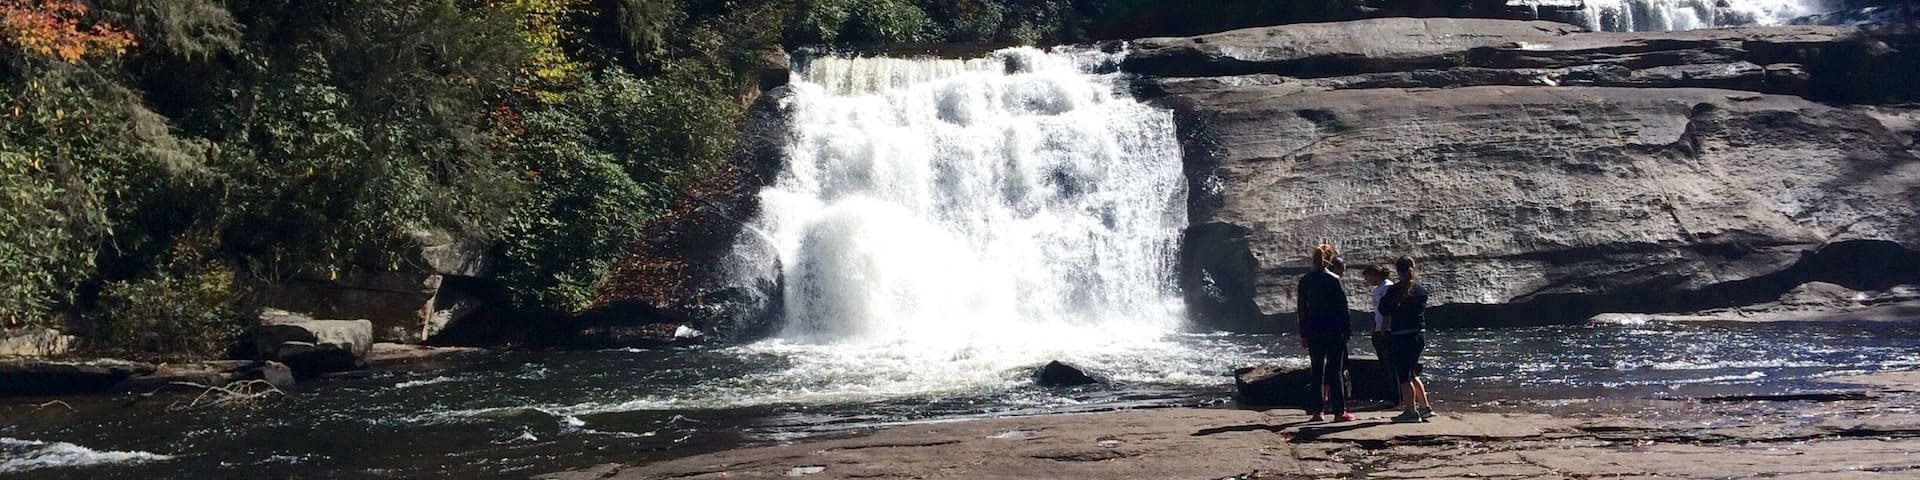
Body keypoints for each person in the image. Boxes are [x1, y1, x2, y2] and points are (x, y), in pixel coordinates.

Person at [1296, 244, 1352, 422]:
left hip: (1313, 330)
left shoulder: (1305, 280)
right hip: (1334, 330)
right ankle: (1339, 412)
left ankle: (1317, 412)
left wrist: (1303, 333)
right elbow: (1343, 309)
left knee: (1317, 370)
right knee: (1335, 371)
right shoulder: (1334, 279)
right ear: (1329, 259)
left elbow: (1301, 310)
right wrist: (1347, 330)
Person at [1380, 256, 1434, 423]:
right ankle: (1425, 408)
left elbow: (1383, 310)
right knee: (1412, 373)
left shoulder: (1394, 290)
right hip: (1418, 336)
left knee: (1403, 376)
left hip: (1401, 336)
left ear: (1398, 271)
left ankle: (1411, 411)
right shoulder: (1421, 291)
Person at [1362, 264, 1395, 383]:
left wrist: (1383, 331)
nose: (1367, 281)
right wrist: (1375, 327)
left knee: (1390, 364)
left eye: (1367, 277)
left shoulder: (1388, 287)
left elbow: (1389, 311)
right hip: (1379, 328)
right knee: (1383, 364)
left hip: (1388, 330)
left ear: (1373, 274)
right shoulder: (1376, 290)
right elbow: (1378, 311)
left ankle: (1396, 396)